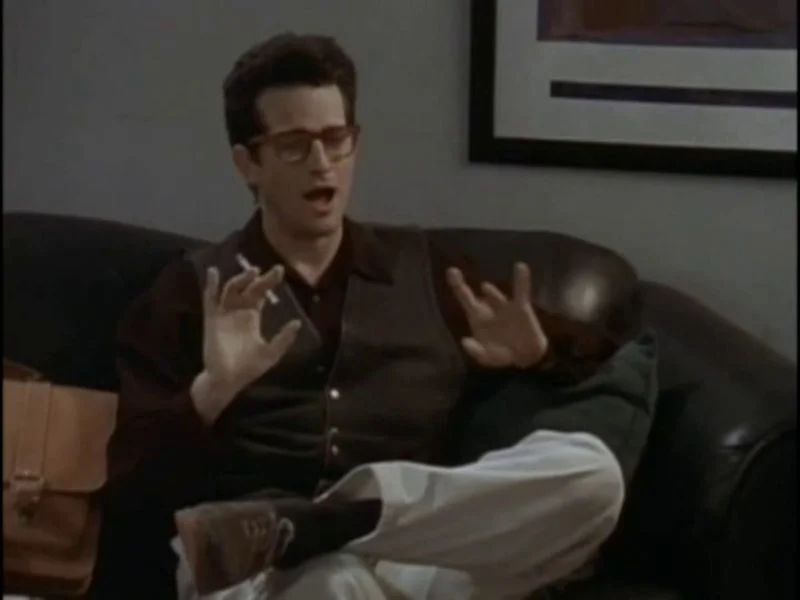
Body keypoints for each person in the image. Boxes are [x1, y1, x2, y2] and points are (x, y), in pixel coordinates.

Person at [101, 33, 647, 600]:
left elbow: (599, 357)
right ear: (248, 164)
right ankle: (319, 533)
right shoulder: (192, 291)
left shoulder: (426, 270)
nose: (322, 164)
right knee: (334, 583)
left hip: (414, 559)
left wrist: (540, 353)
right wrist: (212, 391)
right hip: (259, 577)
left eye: (336, 139)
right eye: (294, 145)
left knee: (592, 474)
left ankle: (339, 521)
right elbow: (131, 490)